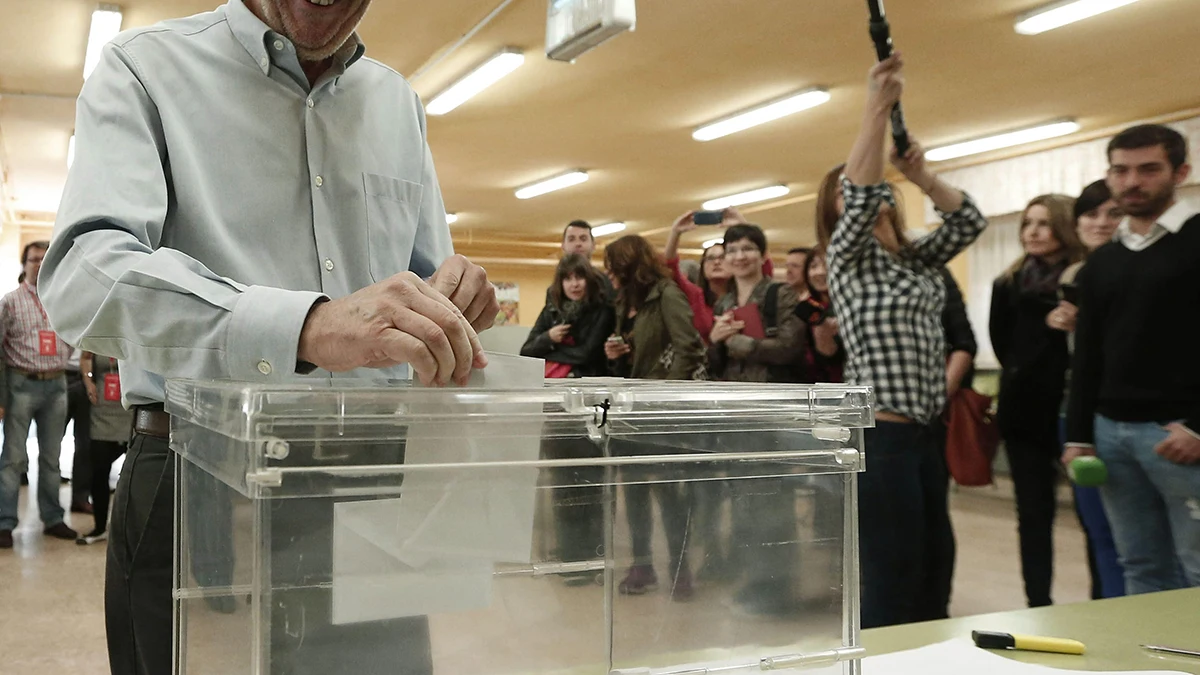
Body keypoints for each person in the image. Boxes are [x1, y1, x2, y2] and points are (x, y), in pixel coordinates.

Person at [39, 2, 500, 674]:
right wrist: (305, 327)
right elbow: (84, 275)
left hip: (368, 487)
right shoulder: (143, 68)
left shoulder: (398, 102)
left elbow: (418, 286)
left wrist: (455, 304)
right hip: (195, 476)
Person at [818, 54, 988, 629]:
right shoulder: (846, 262)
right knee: (891, 568)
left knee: (935, 561)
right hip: (879, 436)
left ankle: (930, 653)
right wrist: (876, 106)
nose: (865, 201)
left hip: (924, 433)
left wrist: (921, 174)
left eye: (875, 192)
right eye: (847, 197)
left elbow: (968, 222)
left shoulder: (917, 263)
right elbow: (861, 195)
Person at [1065, 124, 1200, 595]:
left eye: (1148, 169)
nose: (1132, 182)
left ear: (1180, 172)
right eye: (1121, 171)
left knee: (1197, 567)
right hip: (1111, 438)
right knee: (1140, 565)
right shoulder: (1103, 261)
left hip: (1180, 437)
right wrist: (1079, 434)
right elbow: (1089, 355)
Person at [989, 194, 1085, 607]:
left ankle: (1106, 597)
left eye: (1045, 223)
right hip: (1025, 412)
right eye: (1028, 223)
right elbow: (1002, 347)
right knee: (1033, 516)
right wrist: (1044, 329)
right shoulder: (1007, 284)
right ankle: (1038, 603)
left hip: (1078, 413)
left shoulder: (1088, 279)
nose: (1033, 231)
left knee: (1093, 517)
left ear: (1064, 227)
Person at [603, 234, 705, 598]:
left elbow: (688, 348)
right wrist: (619, 352)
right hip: (633, 409)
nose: (609, 273)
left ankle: (681, 570)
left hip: (662, 411)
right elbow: (642, 355)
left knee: (669, 493)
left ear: (630, 265)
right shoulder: (625, 302)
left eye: (614, 266)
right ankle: (641, 565)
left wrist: (665, 398)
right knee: (633, 494)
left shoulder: (667, 294)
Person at [1049, 179, 1125, 599]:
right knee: (1100, 532)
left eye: (1113, 214)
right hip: (1080, 416)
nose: (1102, 223)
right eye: (1092, 214)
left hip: (1139, 416)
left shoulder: (1159, 269)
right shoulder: (1074, 276)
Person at [0, 241, 79, 549]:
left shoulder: (61, 301)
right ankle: (5, 522)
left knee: (52, 457)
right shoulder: (10, 302)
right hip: (21, 385)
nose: (39, 264)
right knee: (13, 458)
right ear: (24, 264)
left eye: (44, 260)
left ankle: (53, 518)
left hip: (56, 385)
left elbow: (72, 338)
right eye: (34, 259)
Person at [708, 223, 806, 383]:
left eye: (748, 249)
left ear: (764, 255)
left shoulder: (782, 293)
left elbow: (790, 348)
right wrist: (714, 340)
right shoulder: (724, 303)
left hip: (775, 393)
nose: (740, 257)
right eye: (732, 251)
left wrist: (737, 342)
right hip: (733, 394)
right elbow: (715, 365)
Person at [521, 254, 614, 378]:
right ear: (561, 283)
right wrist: (548, 338)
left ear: (589, 280)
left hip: (590, 382)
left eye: (579, 277)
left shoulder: (602, 309)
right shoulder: (552, 309)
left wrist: (546, 353)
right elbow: (526, 351)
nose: (574, 284)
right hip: (556, 384)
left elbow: (585, 354)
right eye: (568, 279)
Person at [75, 351, 132, 545]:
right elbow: (85, 358)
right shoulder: (97, 334)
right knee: (98, 472)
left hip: (129, 413)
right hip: (101, 411)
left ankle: (130, 529)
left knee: (132, 477)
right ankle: (100, 527)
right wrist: (88, 380)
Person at [662, 209, 745, 343]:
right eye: (710, 258)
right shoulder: (696, 296)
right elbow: (669, 268)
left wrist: (743, 226)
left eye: (722, 257)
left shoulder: (746, 294)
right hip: (707, 360)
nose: (716, 262)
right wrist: (675, 232)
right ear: (702, 267)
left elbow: (761, 264)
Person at [796, 248, 844, 383]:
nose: (820, 272)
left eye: (827, 265)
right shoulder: (805, 306)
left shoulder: (850, 305)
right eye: (813, 266)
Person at [64, 348, 94, 514]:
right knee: (51, 445)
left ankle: (80, 498)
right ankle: (50, 507)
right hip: (60, 375)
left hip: (87, 378)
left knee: (85, 444)